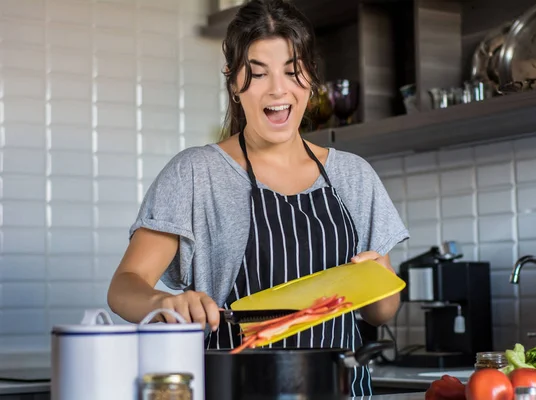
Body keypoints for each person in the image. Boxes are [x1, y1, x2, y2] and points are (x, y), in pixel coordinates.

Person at [107, 0, 409, 396]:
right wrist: (165, 303)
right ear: (234, 83)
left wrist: (380, 283)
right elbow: (124, 287)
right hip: (233, 389)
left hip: (341, 390)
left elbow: (382, 311)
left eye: (292, 71)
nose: (278, 89)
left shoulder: (353, 175)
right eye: (258, 73)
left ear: (310, 79)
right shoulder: (198, 173)